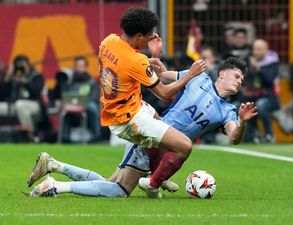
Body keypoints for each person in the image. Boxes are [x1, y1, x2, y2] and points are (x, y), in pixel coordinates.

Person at [27, 57, 257, 198]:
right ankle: (56, 186)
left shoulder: (227, 110)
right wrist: (156, 61)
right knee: (120, 190)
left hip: (161, 146)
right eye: (236, 76)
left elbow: (234, 136)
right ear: (222, 74)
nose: (239, 81)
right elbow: (161, 78)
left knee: (111, 183)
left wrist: (243, 120)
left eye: (242, 80)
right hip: (152, 134)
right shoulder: (198, 77)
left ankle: (55, 165)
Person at [99, 7, 206, 169]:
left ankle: (152, 177)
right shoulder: (137, 61)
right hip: (127, 118)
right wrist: (191, 74)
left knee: (160, 125)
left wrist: (152, 58)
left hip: (123, 108)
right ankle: (154, 182)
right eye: (149, 37)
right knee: (184, 145)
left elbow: (123, 66)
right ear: (139, 36)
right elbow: (164, 94)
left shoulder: (108, 41)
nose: (150, 40)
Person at [240, 39, 280, 142]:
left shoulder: (272, 63)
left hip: (269, 97)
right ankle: (253, 134)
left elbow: (269, 79)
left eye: (259, 49)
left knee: (261, 105)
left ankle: (268, 134)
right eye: (254, 49)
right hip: (251, 96)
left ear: (266, 50)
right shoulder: (247, 62)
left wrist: (258, 68)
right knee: (243, 105)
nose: (255, 52)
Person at [0, 55, 45, 140]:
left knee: (20, 105)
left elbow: (36, 92)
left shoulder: (37, 76)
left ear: (28, 65)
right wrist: (7, 78)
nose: (21, 69)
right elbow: (3, 95)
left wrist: (25, 82)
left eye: (23, 66)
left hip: (34, 105)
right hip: (14, 105)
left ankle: (31, 135)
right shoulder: (13, 78)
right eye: (18, 66)